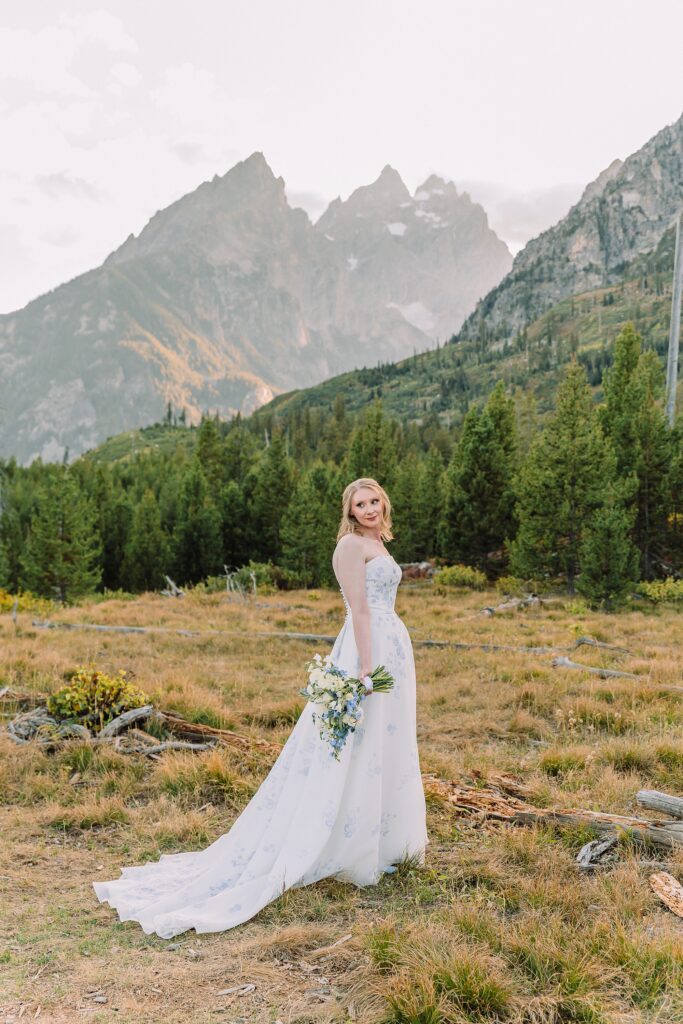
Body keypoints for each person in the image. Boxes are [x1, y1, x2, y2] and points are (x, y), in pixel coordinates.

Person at [93, 477, 427, 938]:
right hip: (366, 651)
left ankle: (381, 840)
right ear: (348, 511)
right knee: (354, 743)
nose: (369, 509)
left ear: (382, 504)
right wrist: (365, 671)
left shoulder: (378, 540)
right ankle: (343, 840)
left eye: (374, 501)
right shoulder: (350, 547)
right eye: (360, 504)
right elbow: (359, 611)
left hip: (393, 645)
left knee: (385, 743)